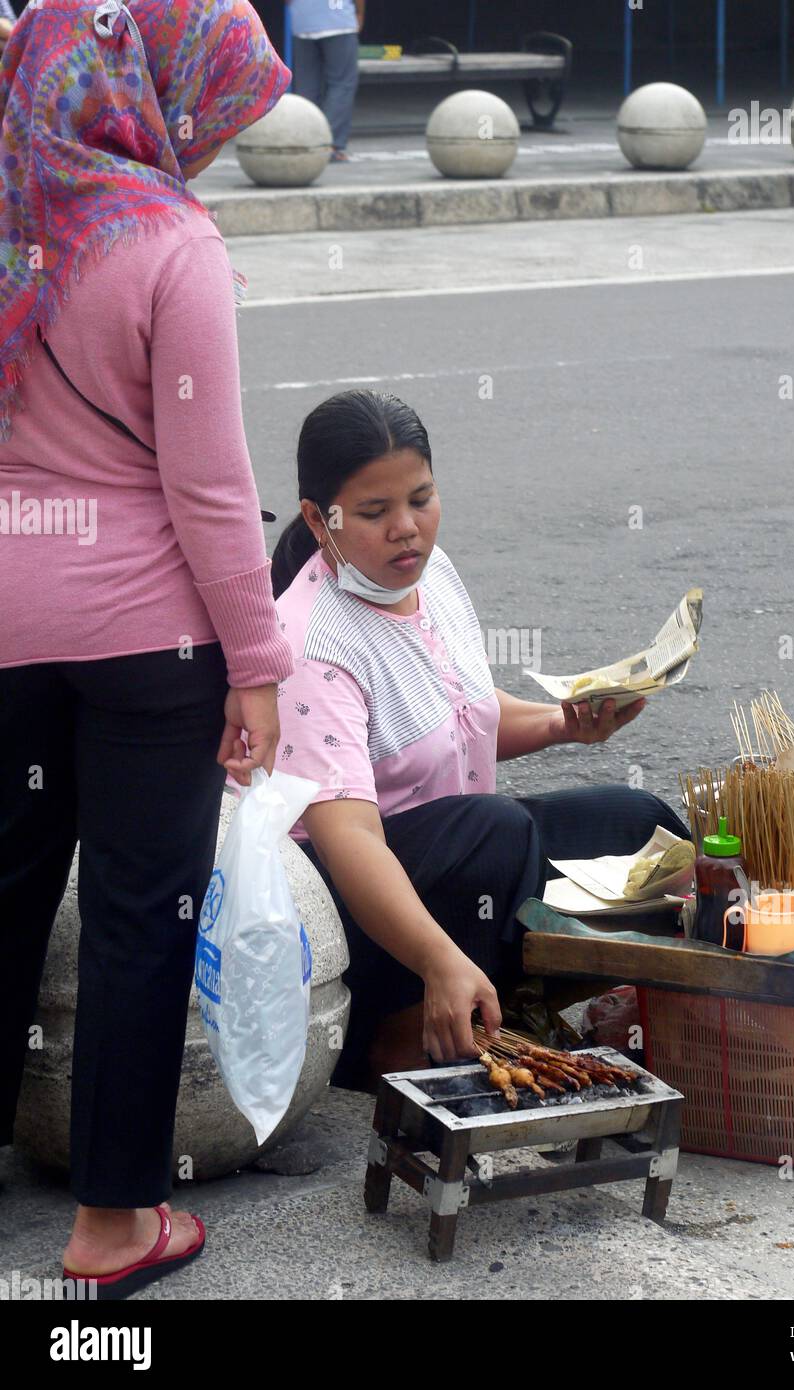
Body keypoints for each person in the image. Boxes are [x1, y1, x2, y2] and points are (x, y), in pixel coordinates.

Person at [0, 0, 295, 1298]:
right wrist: (260, 659)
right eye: (210, 111)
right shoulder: (171, 242)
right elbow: (213, 487)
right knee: (135, 917)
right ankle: (114, 1221)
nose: (214, 142)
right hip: (145, 642)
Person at [267, 390, 692, 1091]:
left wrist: (564, 724)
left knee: (637, 823)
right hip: (344, 914)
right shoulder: (310, 643)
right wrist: (436, 958)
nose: (406, 529)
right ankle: (395, 1037)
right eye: (375, 513)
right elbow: (347, 839)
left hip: (460, 859)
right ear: (320, 518)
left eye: (421, 498)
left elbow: (456, 713)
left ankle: (582, 1003)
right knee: (494, 832)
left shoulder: (429, 573)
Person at [285, 0, 363, 162]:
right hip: (339, 20)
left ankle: (306, 142)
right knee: (342, 84)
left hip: (303, 22)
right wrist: (359, 15)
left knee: (306, 87)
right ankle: (329, 144)